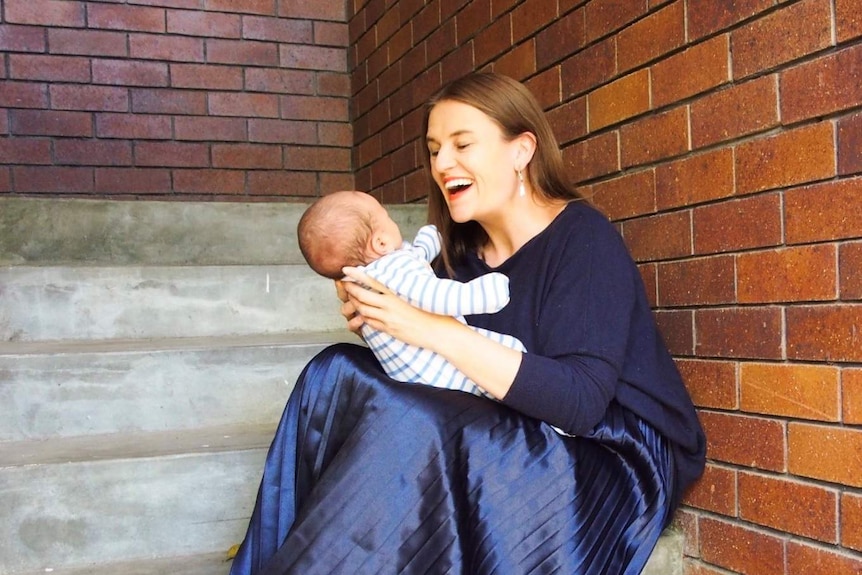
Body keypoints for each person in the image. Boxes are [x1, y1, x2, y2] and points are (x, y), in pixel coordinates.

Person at [229, 72, 706, 575]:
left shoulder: (583, 238)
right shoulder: (458, 257)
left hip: (606, 451)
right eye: (434, 149)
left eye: (462, 144)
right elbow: (434, 371)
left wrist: (431, 330)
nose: (442, 164)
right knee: (335, 372)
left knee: (412, 425)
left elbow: (580, 404)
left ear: (522, 150)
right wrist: (380, 320)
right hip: (510, 422)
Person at [296, 190, 527, 398]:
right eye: (386, 217)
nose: (392, 222)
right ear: (381, 242)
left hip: (414, 384)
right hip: (448, 374)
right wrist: (478, 294)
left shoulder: (361, 282)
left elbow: (417, 257)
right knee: (510, 350)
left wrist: (428, 241)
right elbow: (433, 296)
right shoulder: (393, 269)